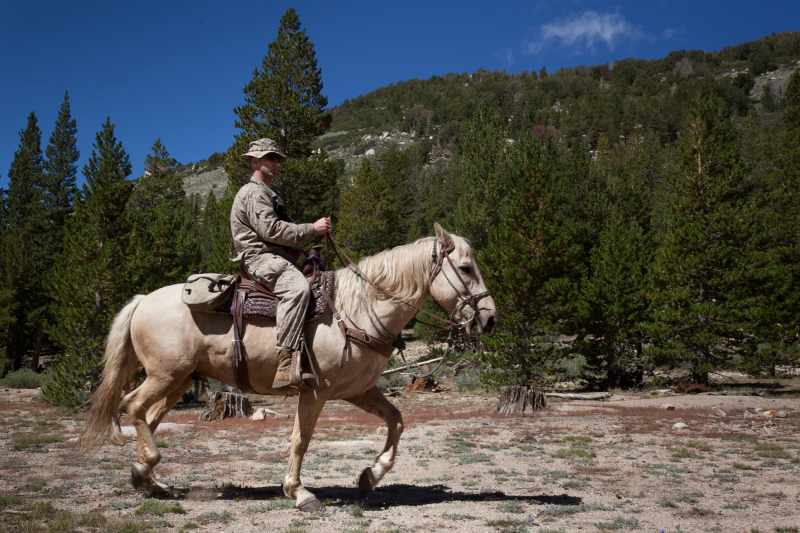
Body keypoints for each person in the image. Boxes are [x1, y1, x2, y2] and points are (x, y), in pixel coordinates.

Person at [230, 138, 332, 389]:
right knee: (298, 288)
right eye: (270, 158)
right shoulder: (254, 192)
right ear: (255, 161)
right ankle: (285, 364)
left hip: (272, 256)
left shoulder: (268, 194)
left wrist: (293, 249)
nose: (276, 163)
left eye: (277, 159)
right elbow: (270, 229)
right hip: (259, 259)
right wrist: (312, 228)